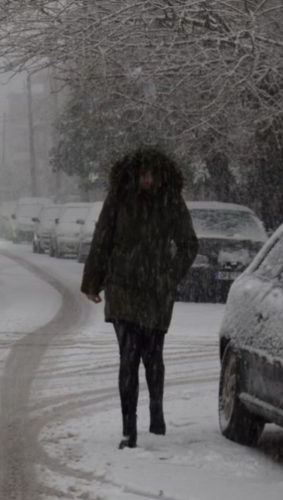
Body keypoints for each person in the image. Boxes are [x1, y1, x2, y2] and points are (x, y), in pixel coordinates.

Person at [81, 147, 198, 449]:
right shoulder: (119, 199)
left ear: (161, 176)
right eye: (143, 174)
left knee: (153, 356)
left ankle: (156, 412)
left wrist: (169, 275)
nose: (148, 180)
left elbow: (188, 244)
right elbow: (102, 239)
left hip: (156, 291)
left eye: (152, 175)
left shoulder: (171, 201)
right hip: (122, 289)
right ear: (134, 175)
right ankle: (128, 429)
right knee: (128, 358)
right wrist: (93, 282)